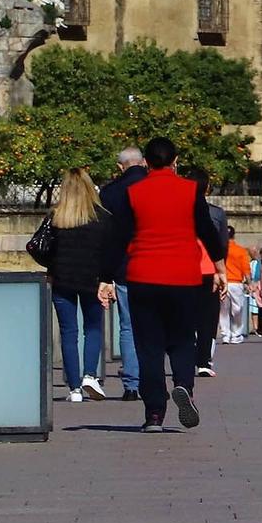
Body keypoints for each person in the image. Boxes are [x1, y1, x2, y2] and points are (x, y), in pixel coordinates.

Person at [99, 137, 228, 432]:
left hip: (143, 276)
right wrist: (219, 267)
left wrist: (105, 277)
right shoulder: (190, 190)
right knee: (183, 339)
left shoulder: (134, 193)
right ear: (175, 160)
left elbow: (117, 238)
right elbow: (207, 231)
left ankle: (154, 413)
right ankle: (184, 386)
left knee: (149, 347)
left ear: (146, 162)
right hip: (184, 276)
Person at [31, 167, 112, 403]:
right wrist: (107, 279)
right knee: (93, 328)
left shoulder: (57, 217)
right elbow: (109, 252)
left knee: (69, 332)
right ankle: (90, 374)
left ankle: (74, 388)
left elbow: (37, 245)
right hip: (92, 279)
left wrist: (52, 266)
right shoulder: (103, 217)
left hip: (62, 279)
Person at [97, 147, 148, 401]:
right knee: (153, 326)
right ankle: (152, 378)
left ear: (120, 166)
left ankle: (131, 383)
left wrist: (105, 275)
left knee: (128, 326)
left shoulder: (109, 192)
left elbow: (107, 237)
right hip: (155, 265)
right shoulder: (154, 186)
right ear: (144, 162)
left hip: (124, 267)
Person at [193, 182, 229, 376]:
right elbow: (222, 244)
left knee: (186, 316)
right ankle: (204, 361)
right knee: (208, 317)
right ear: (207, 189)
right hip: (208, 269)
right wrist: (221, 271)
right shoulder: (215, 213)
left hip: (185, 269)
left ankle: (188, 355)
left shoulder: (180, 208)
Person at [220, 231, 251, 346]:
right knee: (237, 309)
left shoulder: (220, 249)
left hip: (223, 282)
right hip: (236, 283)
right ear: (234, 235)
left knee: (223, 311)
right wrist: (249, 282)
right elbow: (246, 269)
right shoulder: (241, 250)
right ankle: (236, 334)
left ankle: (225, 335)